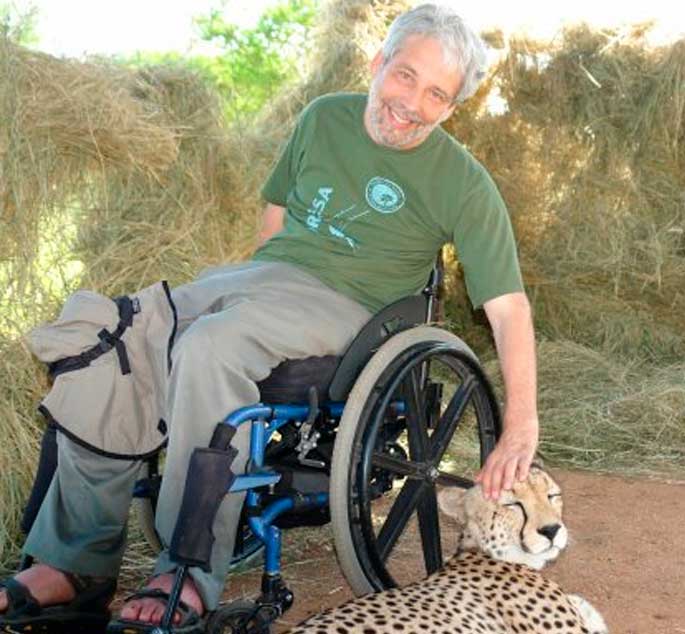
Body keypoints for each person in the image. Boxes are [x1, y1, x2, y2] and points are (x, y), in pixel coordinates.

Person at [0, 4, 539, 632]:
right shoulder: (323, 117)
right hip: (262, 279)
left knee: (210, 346)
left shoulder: (464, 184)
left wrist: (520, 425)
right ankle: (74, 564)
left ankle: (188, 568)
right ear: (378, 64)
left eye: (436, 94)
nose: (411, 102)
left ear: (451, 108)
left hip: (349, 306)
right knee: (111, 332)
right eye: (405, 76)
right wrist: (243, 286)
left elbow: (508, 307)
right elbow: (274, 219)